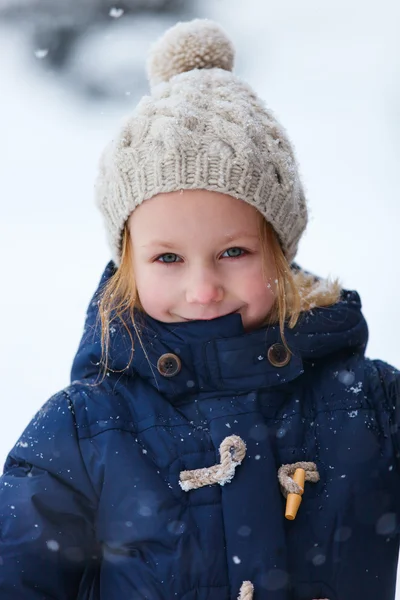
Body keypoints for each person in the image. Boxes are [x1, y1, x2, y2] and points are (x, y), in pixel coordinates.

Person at [0, 18, 399, 600]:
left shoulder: (370, 406)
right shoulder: (85, 429)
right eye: (167, 259)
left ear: (281, 252)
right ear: (128, 265)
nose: (203, 288)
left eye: (233, 252)